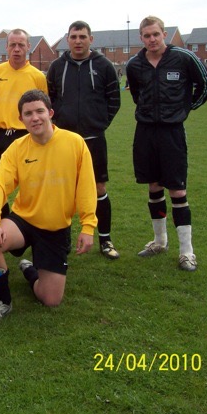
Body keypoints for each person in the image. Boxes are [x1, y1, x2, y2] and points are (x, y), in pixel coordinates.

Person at [0, 90, 97, 327]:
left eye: (39, 111)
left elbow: (86, 187)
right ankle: (2, 301)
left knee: (51, 299)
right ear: (21, 119)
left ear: (50, 113)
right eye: (28, 113)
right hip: (24, 220)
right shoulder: (16, 148)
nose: (35, 118)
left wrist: (88, 225)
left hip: (55, 227)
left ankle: (29, 269)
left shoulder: (75, 143)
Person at [126, 16, 207, 272]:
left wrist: (185, 108)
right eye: (146, 35)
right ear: (141, 38)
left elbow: (206, 84)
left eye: (156, 34)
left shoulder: (184, 58)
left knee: (177, 190)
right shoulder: (134, 64)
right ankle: (160, 241)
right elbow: (136, 95)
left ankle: (187, 252)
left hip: (172, 132)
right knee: (153, 187)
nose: (152, 39)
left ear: (164, 34)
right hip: (145, 132)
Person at [47, 20, 121, 260]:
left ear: (91, 39)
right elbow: (51, 99)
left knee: (98, 188)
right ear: (67, 39)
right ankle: (62, 240)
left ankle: (106, 239)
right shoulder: (57, 66)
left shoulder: (104, 66)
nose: (78, 41)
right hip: (64, 140)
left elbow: (114, 100)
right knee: (64, 189)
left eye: (82, 36)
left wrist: (99, 123)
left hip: (93, 138)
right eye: (74, 36)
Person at [0, 28, 48, 163]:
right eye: (12, 45)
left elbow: (43, 109)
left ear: (28, 47)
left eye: (21, 45)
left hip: (26, 134)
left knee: (30, 179)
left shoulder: (38, 76)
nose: (16, 49)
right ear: (6, 47)